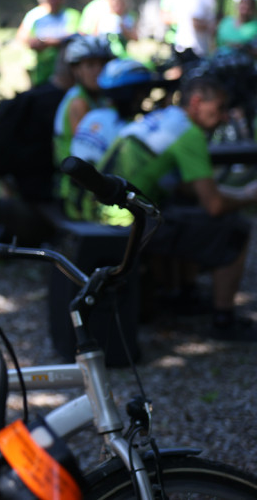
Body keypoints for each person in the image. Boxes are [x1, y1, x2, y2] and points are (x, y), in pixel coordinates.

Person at [94, 74, 257, 341]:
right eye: (219, 109)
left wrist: (232, 192)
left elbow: (185, 187)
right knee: (234, 227)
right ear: (196, 102)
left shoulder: (164, 118)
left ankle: (182, 293)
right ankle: (223, 318)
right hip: (125, 222)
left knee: (183, 208)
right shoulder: (189, 134)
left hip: (100, 210)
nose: (225, 117)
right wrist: (249, 197)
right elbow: (214, 205)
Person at [63, 58, 158, 218]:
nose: (144, 97)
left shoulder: (93, 116)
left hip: (72, 204)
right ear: (131, 93)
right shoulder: (128, 129)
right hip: (103, 211)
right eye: (142, 92)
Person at [53, 35, 114, 215]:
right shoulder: (78, 102)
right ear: (76, 70)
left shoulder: (100, 98)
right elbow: (91, 151)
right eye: (90, 65)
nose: (98, 70)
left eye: (102, 64)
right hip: (77, 194)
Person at [15, 0, 80, 88]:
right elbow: (21, 36)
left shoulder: (72, 15)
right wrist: (33, 43)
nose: (55, 1)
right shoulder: (34, 15)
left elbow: (74, 36)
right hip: (37, 67)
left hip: (63, 67)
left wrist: (48, 42)